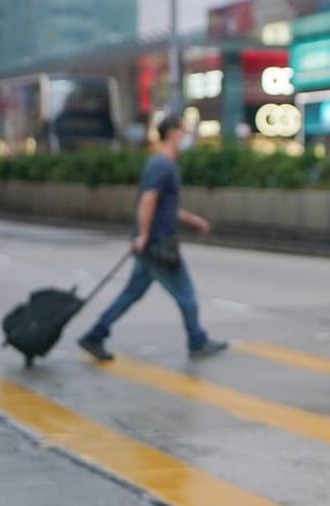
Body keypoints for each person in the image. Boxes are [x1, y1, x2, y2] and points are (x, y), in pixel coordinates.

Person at [77, 113, 227, 362]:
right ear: (172, 133)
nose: (186, 135)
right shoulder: (162, 165)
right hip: (159, 244)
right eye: (183, 130)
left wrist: (193, 220)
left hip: (152, 242)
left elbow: (163, 207)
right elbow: (148, 200)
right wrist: (144, 235)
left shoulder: (162, 164)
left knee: (131, 293)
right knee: (186, 293)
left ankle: (95, 335)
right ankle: (197, 340)